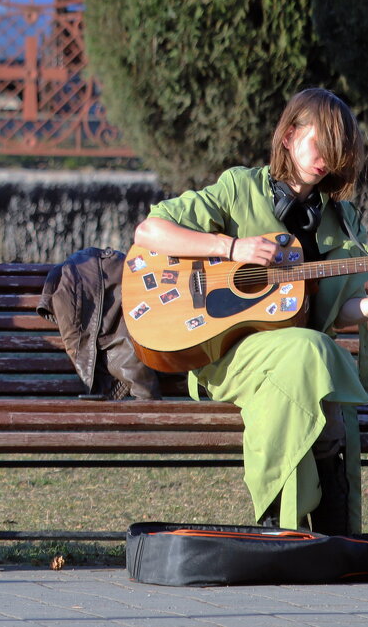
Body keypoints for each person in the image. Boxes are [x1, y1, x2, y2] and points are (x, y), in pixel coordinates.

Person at [132, 87, 368, 534]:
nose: (327, 159)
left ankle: (319, 541)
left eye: (338, 150)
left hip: (305, 358)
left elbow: (341, 312)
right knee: (316, 357)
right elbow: (150, 231)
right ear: (288, 136)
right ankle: (302, 527)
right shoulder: (240, 189)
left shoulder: (342, 219)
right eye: (321, 143)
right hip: (228, 356)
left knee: (315, 363)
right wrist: (231, 246)